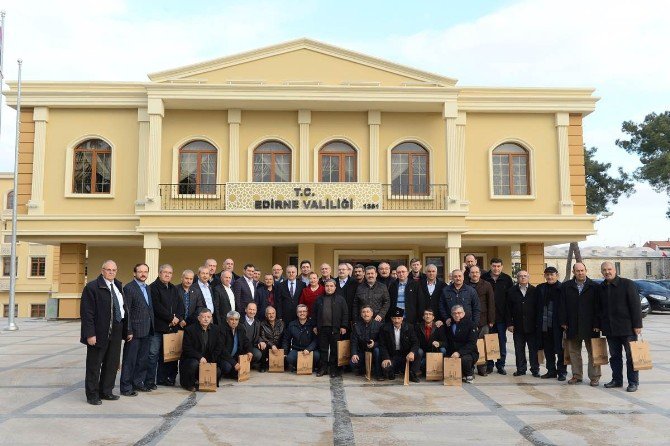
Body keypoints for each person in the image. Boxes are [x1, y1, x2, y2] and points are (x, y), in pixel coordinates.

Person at [80, 260, 130, 405]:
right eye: (108, 270)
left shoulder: (118, 286)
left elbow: (123, 310)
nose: (111, 272)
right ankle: (92, 395)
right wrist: (90, 334)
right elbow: (87, 313)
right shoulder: (92, 287)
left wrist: (127, 330)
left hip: (116, 331)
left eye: (114, 270)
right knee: (94, 366)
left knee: (112, 364)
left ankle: (106, 391)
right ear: (102, 270)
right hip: (99, 332)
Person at [595, 261, 643, 392]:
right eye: (604, 270)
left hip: (627, 328)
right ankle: (617, 380)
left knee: (631, 356)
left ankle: (633, 382)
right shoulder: (601, 287)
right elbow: (599, 309)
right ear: (602, 272)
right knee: (614, 357)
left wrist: (637, 324)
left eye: (609, 269)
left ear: (615, 270)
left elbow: (635, 305)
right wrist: (598, 325)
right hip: (610, 330)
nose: (607, 272)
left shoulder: (627, 284)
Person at [560, 262, 601, 386]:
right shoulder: (566, 286)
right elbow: (562, 305)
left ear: (586, 270)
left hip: (591, 326)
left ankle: (594, 377)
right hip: (572, 324)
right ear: (573, 272)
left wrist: (597, 323)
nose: (580, 273)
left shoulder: (594, 286)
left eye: (582, 270)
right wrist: (563, 321)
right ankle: (577, 376)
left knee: (593, 352)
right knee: (573, 352)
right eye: (577, 271)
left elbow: (599, 307)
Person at [120, 263, 153, 396]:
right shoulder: (129, 288)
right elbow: (126, 311)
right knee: (130, 361)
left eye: (145, 271)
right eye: (140, 271)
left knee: (142, 360)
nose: (143, 274)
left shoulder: (147, 288)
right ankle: (126, 387)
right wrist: (128, 330)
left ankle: (138, 383)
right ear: (134, 273)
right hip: (134, 332)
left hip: (147, 330)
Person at [148, 264, 184, 387]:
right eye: (165, 272)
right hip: (158, 328)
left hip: (172, 327)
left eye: (170, 273)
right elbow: (156, 307)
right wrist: (170, 318)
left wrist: (177, 318)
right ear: (159, 273)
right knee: (153, 355)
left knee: (168, 356)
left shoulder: (174, 288)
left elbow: (180, 305)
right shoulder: (153, 288)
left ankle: (164, 379)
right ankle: (150, 381)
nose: (167, 275)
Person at [482, 257, 514, 375]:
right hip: (487, 318)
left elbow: (511, 301)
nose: (496, 268)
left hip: (502, 318)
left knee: (501, 342)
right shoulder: (484, 278)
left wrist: (510, 320)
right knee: (489, 341)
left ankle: (501, 365)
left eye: (498, 266)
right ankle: (489, 365)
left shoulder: (507, 279)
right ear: (490, 266)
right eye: (494, 266)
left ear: (502, 267)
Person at [179, 308, 223, 391]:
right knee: (194, 364)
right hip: (192, 359)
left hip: (208, 360)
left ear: (211, 318)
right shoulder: (190, 329)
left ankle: (201, 381)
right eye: (203, 317)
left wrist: (211, 360)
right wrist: (199, 357)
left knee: (217, 371)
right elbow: (187, 348)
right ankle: (189, 384)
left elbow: (219, 346)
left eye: (208, 317)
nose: (206, 319)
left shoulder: (216, 329)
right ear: (199, 318)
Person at [536, 266, 567, 381]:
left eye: (552, 274)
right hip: (544, 325)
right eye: (547, 275)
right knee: (548, 350)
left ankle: (562, 372)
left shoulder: (563, 288)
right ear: (544, 276)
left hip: (558, 325)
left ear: (557, 275)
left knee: (560, 350)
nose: (549, 277)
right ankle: (551, 371)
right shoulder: (540, 288)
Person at [506, 270, 539, 377]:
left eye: (525, 276)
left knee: (533, 349)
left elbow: (539, 309)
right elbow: (508, 309)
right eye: (520, 276)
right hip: (517, 326)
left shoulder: (535, 291)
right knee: (519, 349)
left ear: (528, 277)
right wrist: (509, 324)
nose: (523, 278)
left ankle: (535, 369)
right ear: (517, 278)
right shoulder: (511, 291)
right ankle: (521, 369)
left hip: (532, 326)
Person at [314, 279, 349, 377]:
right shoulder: (319, 299)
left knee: (334, 350)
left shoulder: (340, 299)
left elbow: (345, 313)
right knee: (323, 349)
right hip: (322, 328)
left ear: (335, 287)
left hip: (335, 329)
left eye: (331, 286)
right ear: (324, 287)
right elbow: (314, 313)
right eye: (327, 286)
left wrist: (343, 326)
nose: (329, 288)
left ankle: (333, 369)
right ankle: (323, 368)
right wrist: (314, 326)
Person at [379, 307, 420, 382]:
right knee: (386, 367)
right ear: (391, 318)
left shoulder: (409, 327)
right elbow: (382, 345)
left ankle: (412, 373)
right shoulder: (384, 328)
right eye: (394, 318)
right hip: (392, 355)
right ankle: (392, 371)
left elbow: (415, 342)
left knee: (419, 352)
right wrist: (386, 357)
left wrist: (412, 352)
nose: (396, 321)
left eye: (398, 318)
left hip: (405, 355)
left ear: (402, 318)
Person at [468, 266, 495, 376]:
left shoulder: (486, 284)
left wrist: (491, 320)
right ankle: (469, 368)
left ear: (480, 273)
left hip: (483, 320)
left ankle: (481, 368)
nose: (474, 274)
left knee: (482, 345)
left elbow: (491, 303)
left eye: (476, 272)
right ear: (469, 274)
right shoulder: (465, 285)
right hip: (469, 320)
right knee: (470, 344)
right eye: (472, 272)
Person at [444, 305, 479, 383]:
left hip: (469, 352)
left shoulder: (471, 324)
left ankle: (469, 374)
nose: (457, 315)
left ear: (463, 313)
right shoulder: (449, 324)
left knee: (464, 359)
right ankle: (461, 373)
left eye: (459, 313)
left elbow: (472, 343)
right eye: (454, 313)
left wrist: (459, 353)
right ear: (451, 315)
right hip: (453, 351)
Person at [283, 304, 320, 371]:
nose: (302, 313)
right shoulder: (291, 324)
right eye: (300, 312)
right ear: (297, 313)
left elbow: (316, 340)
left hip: (310, 350)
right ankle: (298, 366)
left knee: (317, 356)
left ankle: (310, 367)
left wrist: (308, 349)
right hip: (297, 349)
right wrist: (285, 352)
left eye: (304, 311)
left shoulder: (312, 324)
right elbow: (286, 339)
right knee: (290, 358)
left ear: (307, 312)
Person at [350, 305, 383, 379]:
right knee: (352, 363)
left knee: (377, 350)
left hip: (375, 351)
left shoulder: (379, 325)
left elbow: (382, 341)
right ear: (361, 315)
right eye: (363, 312)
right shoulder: (356, 326)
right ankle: (365, 369)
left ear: (372, 314)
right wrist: (354, 354)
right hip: (363, 351)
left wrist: (374, 344)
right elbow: (354, 342)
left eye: (368, 312)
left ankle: (379, 373)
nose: (366, 314)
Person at [219, 310, 252, 379]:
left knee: (248, 358)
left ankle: (233, 372)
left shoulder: (240, 327)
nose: (234, 322)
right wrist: (234, 363)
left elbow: (246, 341)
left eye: (236, 320)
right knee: (227, 367)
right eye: (231, 319)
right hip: (223, 357)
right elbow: (222, 349)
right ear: (227, 320)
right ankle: (225, 372)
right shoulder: (222, 329)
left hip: (235, 355)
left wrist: (249, 351)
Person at [259, 306, 285, 372]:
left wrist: (284, 350)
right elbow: (263, 337)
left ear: (275, 314)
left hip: (279, 345)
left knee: (285, 365)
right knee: (263, 345)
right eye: (269, 313)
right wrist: (272, 345)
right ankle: (263, 365)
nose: (271, 315)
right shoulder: (262, 324)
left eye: (273, 313)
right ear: (266, 315)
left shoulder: (281, 323)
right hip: (268, 346)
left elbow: (284, 337)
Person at [242, 302, 263, 369]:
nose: (252, 312)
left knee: (258, 354)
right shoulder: (240, 322)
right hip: (241, 348)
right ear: (246, 310)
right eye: (250, 309)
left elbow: (259, 335)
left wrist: (261, 341)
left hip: (252, 346)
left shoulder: (257, 323)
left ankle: (249, 365)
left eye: (254, 310)